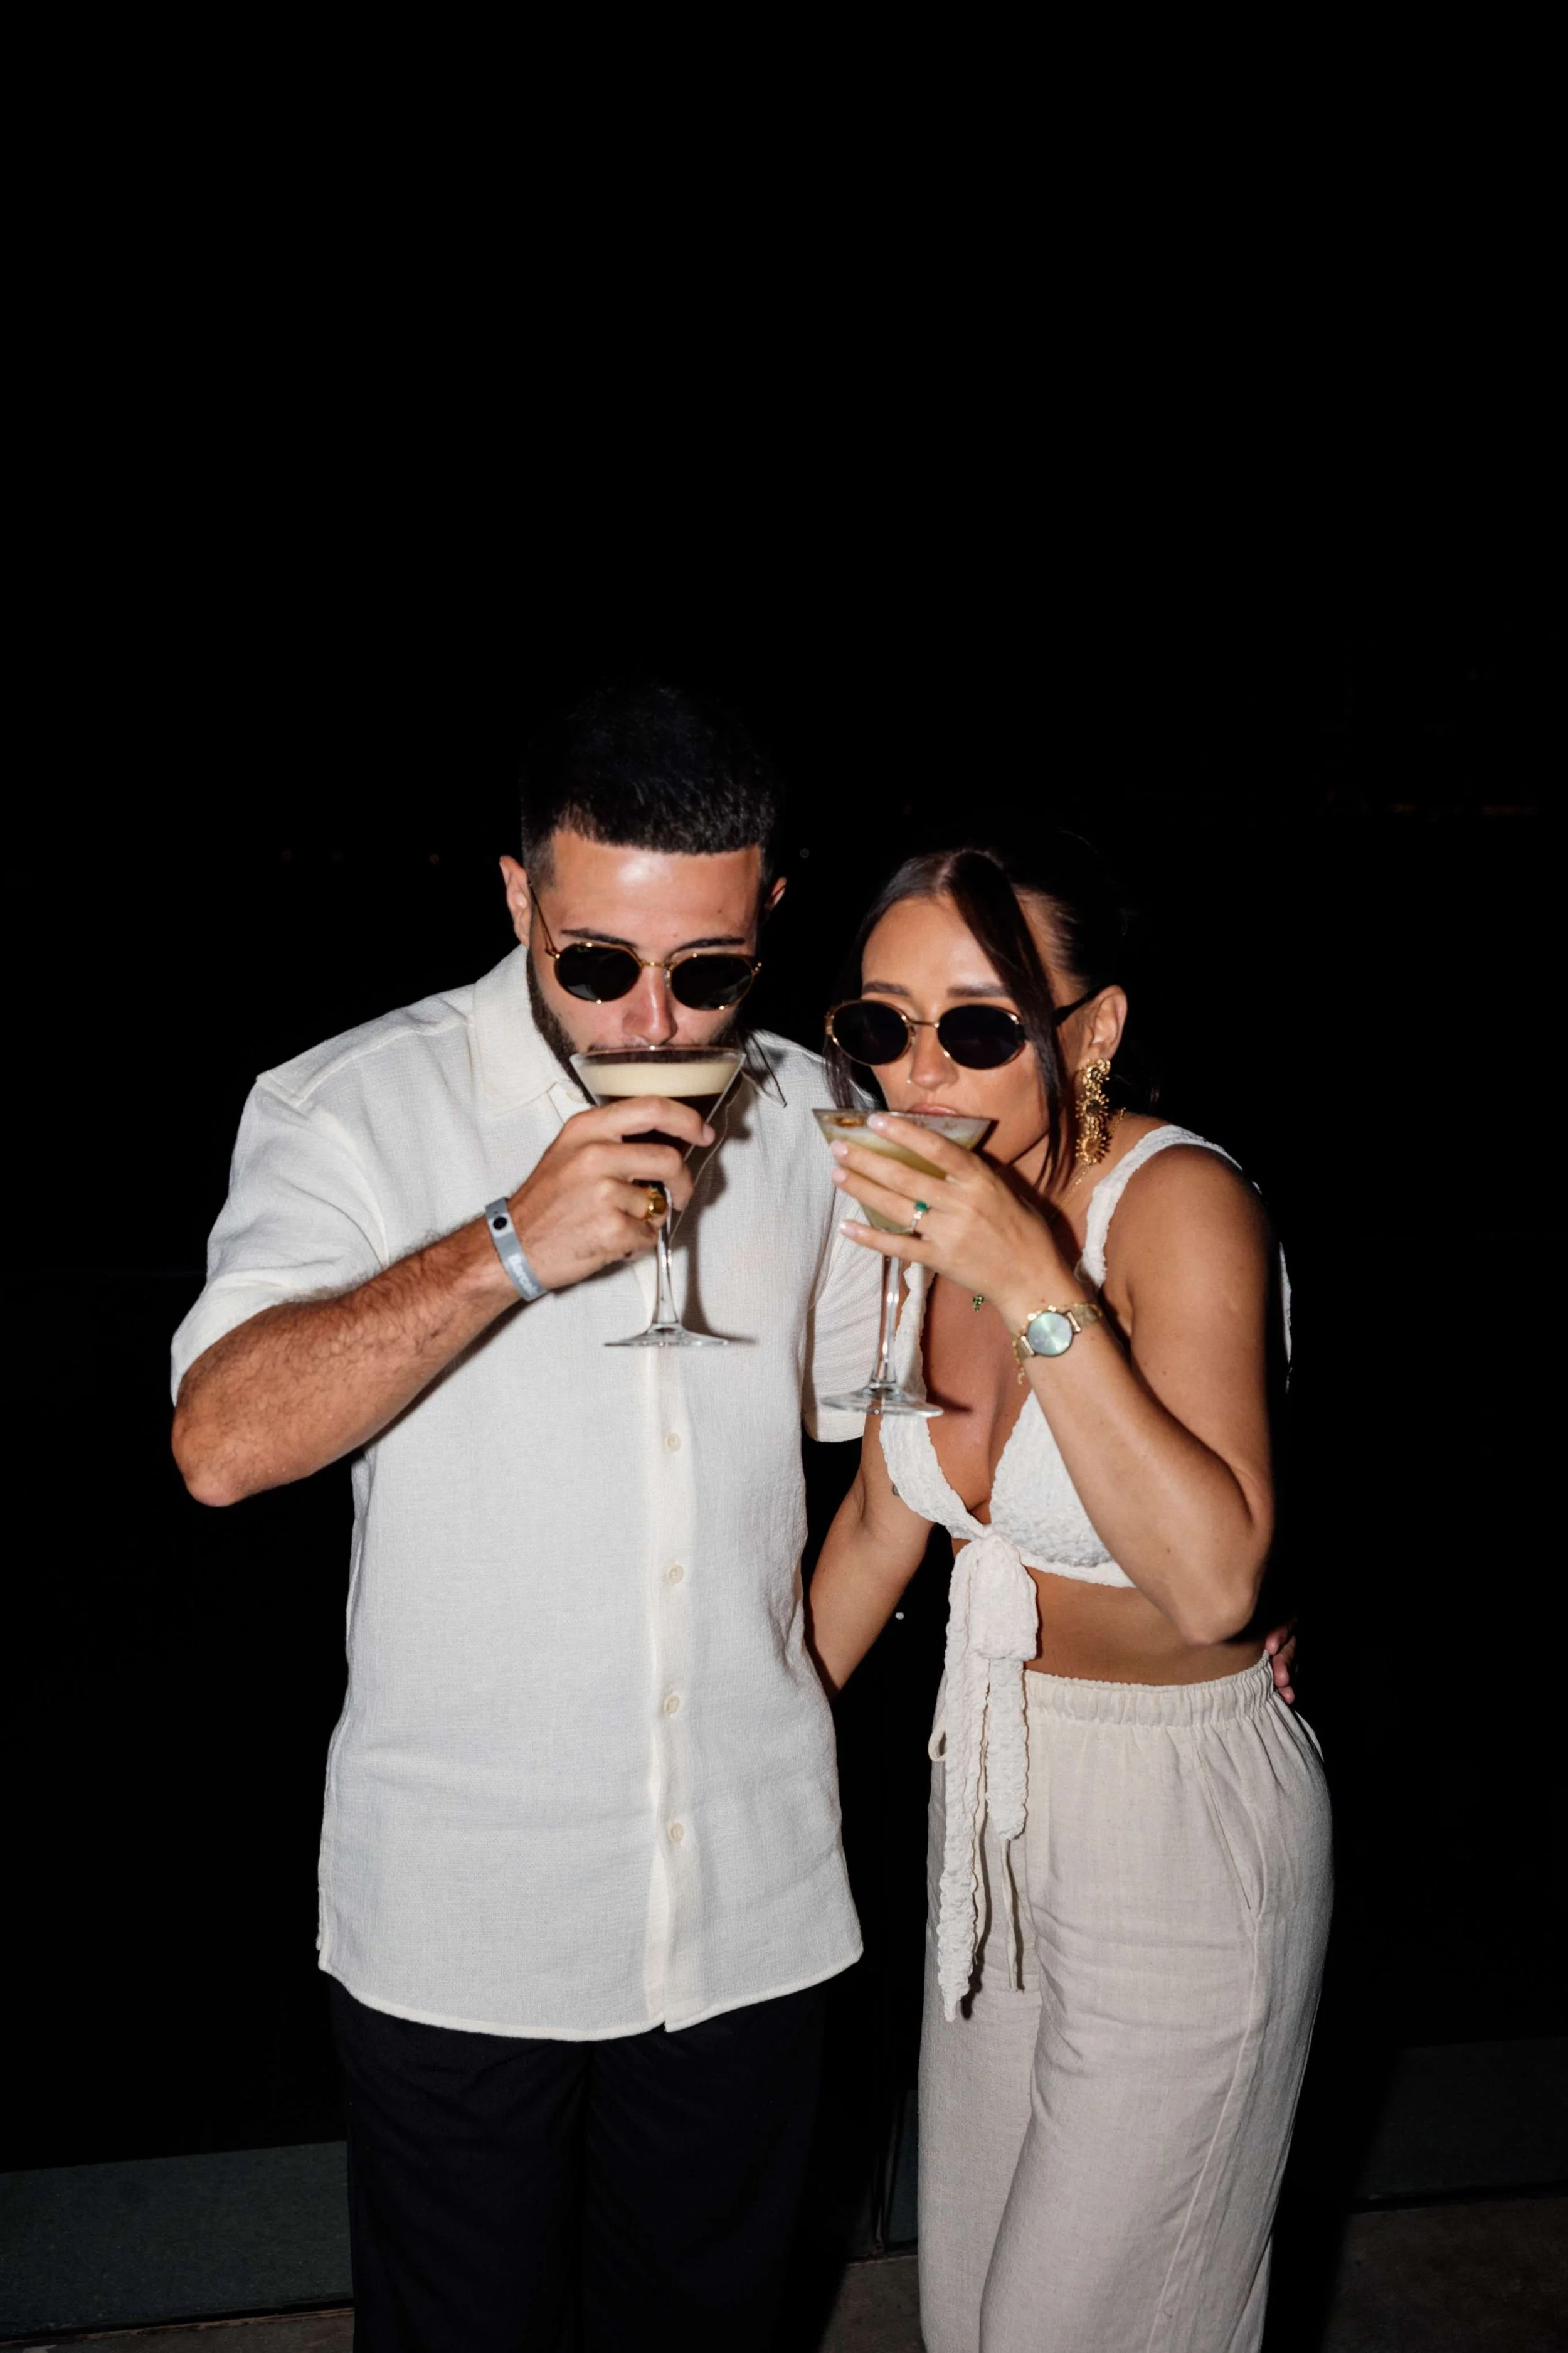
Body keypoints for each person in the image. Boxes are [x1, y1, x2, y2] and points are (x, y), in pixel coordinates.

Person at [169, 684, 884, 2350]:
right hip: (461, 1922)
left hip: (757, 1910)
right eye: (598, 961)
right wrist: (507, 1245)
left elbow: (908, 1428)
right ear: (517, 898)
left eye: (707, 971)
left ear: (772, 915)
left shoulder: (811, 1113)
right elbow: (220, 1442)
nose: (651, 1019)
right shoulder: (350, 1105)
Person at [805, 841, 1331, 2353]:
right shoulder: (925, 1206)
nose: (920, 1070)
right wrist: (727, 1778)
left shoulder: (1177, 1204)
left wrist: (1031, 1280)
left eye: (978, 1025)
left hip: (1178, 1835)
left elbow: (1215, 1580)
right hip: (985, 1802)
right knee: (970, 2310)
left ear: (1089, 1031)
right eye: (882, 1024)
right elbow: (875, 1529)